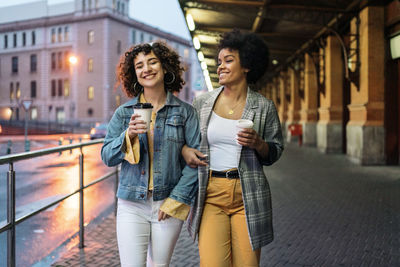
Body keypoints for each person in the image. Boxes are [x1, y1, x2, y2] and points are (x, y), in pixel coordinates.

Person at [183, 30, 284, 267]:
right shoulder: (202, 103)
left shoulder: (264, 107)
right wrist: (185, 151)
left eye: (228, 61)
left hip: (248, 194)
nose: (221, 67)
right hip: (211, 194)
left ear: (247, 65)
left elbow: (276, 150)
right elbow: (185, 141)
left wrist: (259, 144)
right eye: (219, 62)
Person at [101, 41, 200, 267]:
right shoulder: (123, 113)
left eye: (152, 62)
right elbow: (107, 156)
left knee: (159, 265)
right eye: (139, 66)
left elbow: (197, 162)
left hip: (168, 202)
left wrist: (176, 200)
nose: (146, 69)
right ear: (134, 74)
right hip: (131, 204)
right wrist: (129, 135)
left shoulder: (186, 113)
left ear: (165, 67)